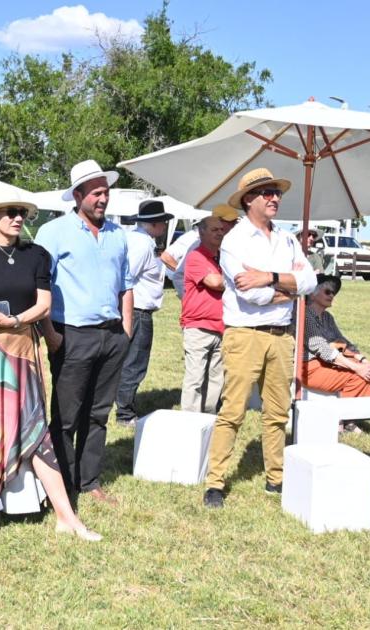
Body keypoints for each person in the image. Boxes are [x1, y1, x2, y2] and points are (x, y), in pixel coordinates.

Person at [0, 199, 100, 541]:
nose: (18, 219)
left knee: (35, 430)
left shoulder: (36, 255)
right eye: (10, 214)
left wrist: (18, 322)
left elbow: (43, 304)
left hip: (22, 350)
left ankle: (65, 515)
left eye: (22, 214)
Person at [203, 168, 317, 509]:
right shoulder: (234, 242)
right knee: (233, 411)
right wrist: (290, 288)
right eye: (266, 193)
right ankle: (215, 483)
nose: (274, 198)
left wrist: (269, 277)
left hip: (281, 337)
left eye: (276, 193)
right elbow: (251, 296)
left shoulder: (286, 239)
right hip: (245, 335)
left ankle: (276, 477)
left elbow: (310, 280)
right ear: (248, 199)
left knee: (278, 413)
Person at [36, 159, 133, 506]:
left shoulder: (118, 235)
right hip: (71, 334)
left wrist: (126, 331)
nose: (102, 199)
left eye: (105, 192)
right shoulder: (53, 232)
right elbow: (39, 286)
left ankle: (89, 481)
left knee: (98, 413)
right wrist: (51, 335)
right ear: (77, 196)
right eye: (95, 193)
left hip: (111, 336)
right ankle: (60, 484)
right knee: (65, 416)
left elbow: (126, 285)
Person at [114, 200, 173, 428]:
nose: (166, 226)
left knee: (129, 361)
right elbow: (127, 277)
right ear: (156, 224)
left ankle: (121, 406)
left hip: (135, 309)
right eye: (164, 222)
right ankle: (125, 413)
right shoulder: (142, 243)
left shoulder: (137, 239)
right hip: (137, 310)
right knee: (134, 363)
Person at [303, 274, 370, 432]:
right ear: (312, 293)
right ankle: (339, 422)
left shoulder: (327, 317)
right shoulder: (305, 315)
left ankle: (350, 420)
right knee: (357, 376)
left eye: (333, 293)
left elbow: (343, 341)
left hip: (327, 362)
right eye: (328, 292)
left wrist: (362, 359)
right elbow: (321, 349)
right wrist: (356, 367)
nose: (332, 296)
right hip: (307, 367)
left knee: (369, 372)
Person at [180, 215, 227, 413]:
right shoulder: (196, 256)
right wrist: (235, 281)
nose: (219, 233)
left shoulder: (221, 259)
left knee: (216, 380)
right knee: (195, 379)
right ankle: (190, 422)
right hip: (198, 327)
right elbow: (215, 283)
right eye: (214, 229)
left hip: (221, 326)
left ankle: (208, 420)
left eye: (221, 230)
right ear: (201, 232)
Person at [161, 204, 239, 298]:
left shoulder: (225, 242)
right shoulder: (194, 240)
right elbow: (166, 256)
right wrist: (190, 275)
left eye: (235, 222)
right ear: (217, 221)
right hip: (196, 296)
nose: (234, 226)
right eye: (231, 222)